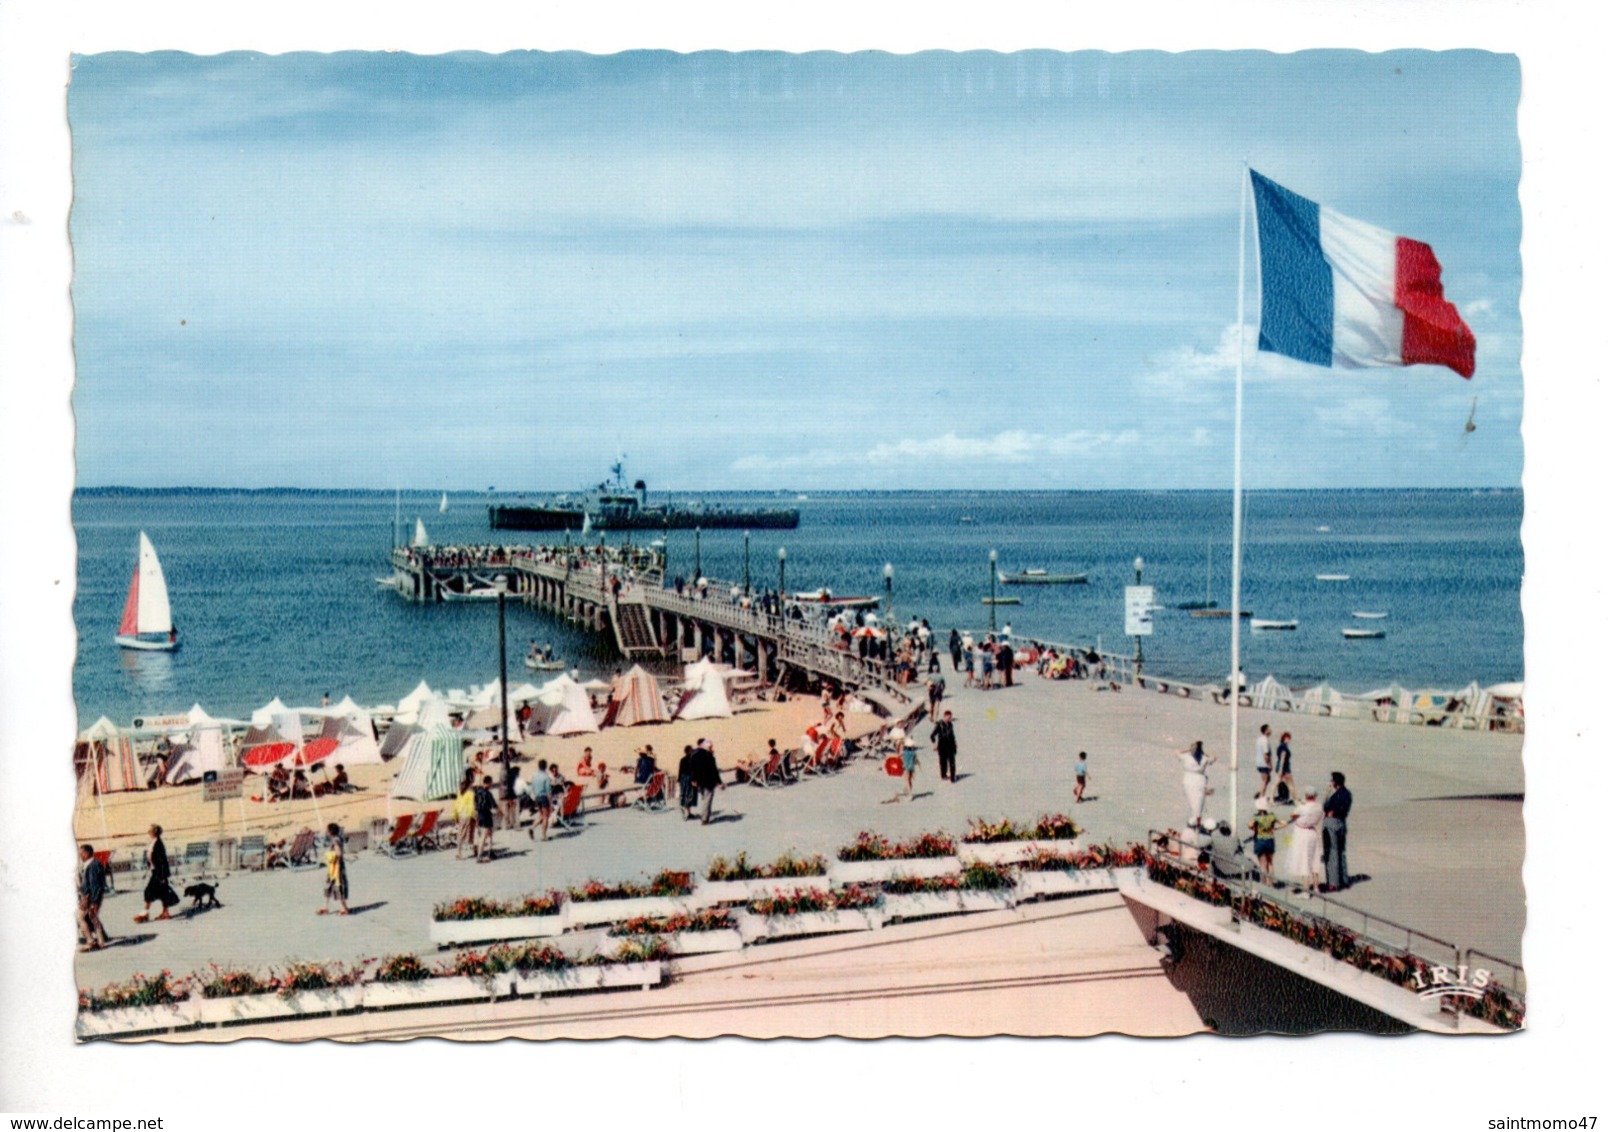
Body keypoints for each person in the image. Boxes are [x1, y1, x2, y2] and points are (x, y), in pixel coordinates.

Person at [134, 824, 176, 923]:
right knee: (162, 892)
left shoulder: (158, 844)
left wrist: (162, 876)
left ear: (154, 832)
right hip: (155, 871)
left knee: (150, 891)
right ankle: (164, 912)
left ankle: (145, 914)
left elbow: (162, 861)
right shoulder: (153, 842)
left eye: (150, 831)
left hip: (159, 873)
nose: (148, 832)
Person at [1289, 788, 1325, 896]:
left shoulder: (1302, 807)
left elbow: (1293, 815)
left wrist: (1300, 804)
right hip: (1313, 832)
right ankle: (1316, 887)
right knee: (1314, 860)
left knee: (1304, 861)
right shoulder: (1319, 807)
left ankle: (1306, 890)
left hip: (1302, 833)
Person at [1323, 771, 1352, 891]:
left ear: (1335, 782)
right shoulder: (1347, 794)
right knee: (1341, 851)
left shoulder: (1335, 796)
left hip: (1332, 823)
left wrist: (1327, 793)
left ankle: (1334, 882)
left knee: (1332, 852)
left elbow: (1325, 807)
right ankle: (1344, 879)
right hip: (1342, 823)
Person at [77, 844, 111, 951]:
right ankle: (101, 941)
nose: (80, 855)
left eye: (81, 853)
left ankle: (90, 941)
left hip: (90, 897)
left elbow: (95, 885)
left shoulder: (93, 865)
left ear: (86, 853)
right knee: (93, 918)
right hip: (91, 897)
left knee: (80, 918)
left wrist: (93, 900)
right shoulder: (90, 864)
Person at [1177, 741, 1214, 831]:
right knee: (1198, 804)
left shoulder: (1186, 757)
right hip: (1200, 782)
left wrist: (1187, 749)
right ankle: (1195, 822)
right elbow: (1214, 757)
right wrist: (1203, 752)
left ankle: (1192, 823)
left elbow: (1176, 752)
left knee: (1193, 804)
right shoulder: (1204, 758)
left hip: (1189, 780)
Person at [1248, 796, 1284, 885]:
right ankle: (1271, 883)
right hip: (1270, 839)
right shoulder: (1272, 816)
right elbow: (1282, 823)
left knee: (1262, 864)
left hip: (1260, 840)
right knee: (1270, 863)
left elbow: (1250, 825)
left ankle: (1263, 883)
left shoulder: (1255, 817)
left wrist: (1255, 829)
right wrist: (1274, 828)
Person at [687, 739, 723, 824]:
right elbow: (714, 770)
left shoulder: (695, 754)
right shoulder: (708, 755)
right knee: (707, 798)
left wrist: (694, 779)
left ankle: (705, 815)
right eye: (710, 747)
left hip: (700, 781)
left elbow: (692, 768)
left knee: (704, 798)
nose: (711, 748)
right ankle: (705, 818)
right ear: (706, 746)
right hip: (708, 780)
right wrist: (719, 782)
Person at [318, 823, 349, 915]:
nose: (326, 832)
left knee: (338, 886)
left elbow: (339, 853)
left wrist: (329, 855)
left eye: (327, 830)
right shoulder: (336, 839)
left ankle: (345, 908)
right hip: (333, 867)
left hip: (337, 867)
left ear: (330, 832)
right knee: (328, 885)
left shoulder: (335, 840)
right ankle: (326, 907)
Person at [525, 758, 554, 841]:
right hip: (544, 797)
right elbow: (549, 791)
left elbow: (532, 787)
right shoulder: (546, 777)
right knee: (546, 816)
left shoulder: (534, 776)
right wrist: (551, 803)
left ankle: (532, 828)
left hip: (537, 797)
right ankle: (544, 835)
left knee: (541, 815)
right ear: (545, 766)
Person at [453, 769, 478, 859]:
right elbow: (472, 805)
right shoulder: (470, 791)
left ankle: (470, 850)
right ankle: (459, 852)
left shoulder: (461, 789)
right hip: (468, 814)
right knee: (471, 832)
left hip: (460, 813)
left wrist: (455, 814)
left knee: (462, 833)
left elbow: (456, 803)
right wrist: (474, 815)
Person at [473, 775, 498, 862]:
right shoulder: (488, 794)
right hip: (486, 814)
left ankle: (491, 851)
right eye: (491, 783)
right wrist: (501, 813)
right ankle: (479, 856)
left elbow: (475, 804)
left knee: (490, 833)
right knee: (484, 835)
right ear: (489, 783)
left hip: (480, 814)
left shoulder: (477, 792)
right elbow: (494, 805)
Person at [931, 710, 958, 783]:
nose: (949, 719)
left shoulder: (950, 725)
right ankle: (943, 775)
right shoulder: (940, 725)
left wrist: (955, 746)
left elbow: (952, 736)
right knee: (943, 762)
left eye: (950, 717)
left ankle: (953, 777)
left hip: (950, 745)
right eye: (948, 717)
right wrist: (934, 744)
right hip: (942, 746)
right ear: (944, 716)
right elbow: (932, 735)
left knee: (952, 761)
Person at [677, 745, 700, 819]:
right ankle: (687, 813)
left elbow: (680, 771)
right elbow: (694, 771)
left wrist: (679, 780)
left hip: (684, 779)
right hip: (690, 779)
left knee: (685, 795)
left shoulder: (682, 759)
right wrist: (695, 780)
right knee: (690, 795)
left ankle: (688, 812)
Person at [501, 754, 522, 831]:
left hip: (506, 795)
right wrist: (511, 798)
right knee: (514, 811)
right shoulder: (511, 777)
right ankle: (516, 825)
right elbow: (510, 788)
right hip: (510, 795)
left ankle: (507, 825)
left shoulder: (504, 773)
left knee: (507, 811)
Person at [1272, 732, 1294, 804]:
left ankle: (1271, 799)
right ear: (1285, 738)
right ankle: (1296, 799)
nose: (1289, 741)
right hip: (1285, 768)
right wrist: (1281, 770)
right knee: (1290, 784)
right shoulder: (1284, 747)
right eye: (1288, 739)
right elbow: (1282, 758)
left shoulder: (1280, 746)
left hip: (1281, 767)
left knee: (1275, 784)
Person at [1253, 724, 1273, 799]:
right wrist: (1269, 764)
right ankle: (1261, 796)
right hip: (1264, 763)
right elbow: (1266, 754)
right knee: (1265, 780)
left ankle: (1261, 793)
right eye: (1269, 729)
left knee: (1266, 779)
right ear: (1266, 731)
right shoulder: (1265, 740)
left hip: (1259, 762)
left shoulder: (1259, 739)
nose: (1271, 731)